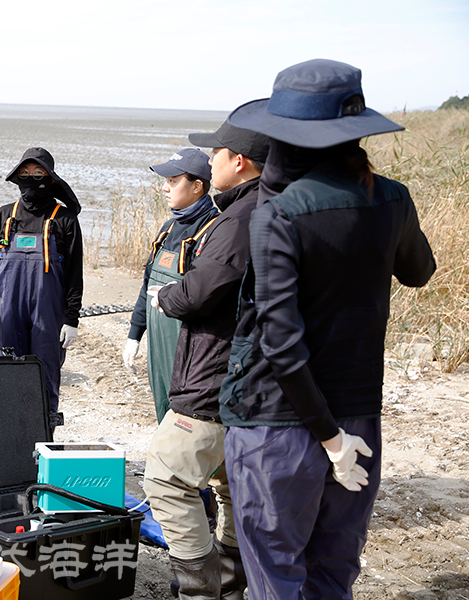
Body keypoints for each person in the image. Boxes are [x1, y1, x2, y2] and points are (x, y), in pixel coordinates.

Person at [220, 59, 436, 599]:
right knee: (334, 568)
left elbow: (281, 344)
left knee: (274, 571)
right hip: (358, 411)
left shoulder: (279, 213)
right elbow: (419, 271)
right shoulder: (391, 197)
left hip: (278, 418)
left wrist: (327, 438)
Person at [143, 130, 269, 599]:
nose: (209, 161)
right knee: (231, 484)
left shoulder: (238, 220)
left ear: (237, 161)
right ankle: (233, 582)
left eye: (214, 154)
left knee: (165, 478)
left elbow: (199, 292)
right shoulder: (272, 209)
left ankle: (200, 589)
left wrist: (165, 296)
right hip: (252, 381)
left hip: (217, 377)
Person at [0, 148, 83, 413]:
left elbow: (74, 274)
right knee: (8, 374)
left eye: (38, 173)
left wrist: (72, 319)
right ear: (17, 177)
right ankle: (10, 437)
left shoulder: (65, 220)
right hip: (8, 312)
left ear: (51, 179)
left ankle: (44, 440)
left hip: (48, 316)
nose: (31, 178)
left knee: (44, 376)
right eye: (25, 173)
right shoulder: (3, 217)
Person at [123, 148, 219, 423]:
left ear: (198, 186)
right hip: (158, 338)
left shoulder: (211, 231)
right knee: (162, 407)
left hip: (188, 343)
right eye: (165, 182)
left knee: (185, 419)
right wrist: (134, 334)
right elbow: (147, 285)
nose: (165, 188)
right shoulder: (167, 229)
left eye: (173, 181)